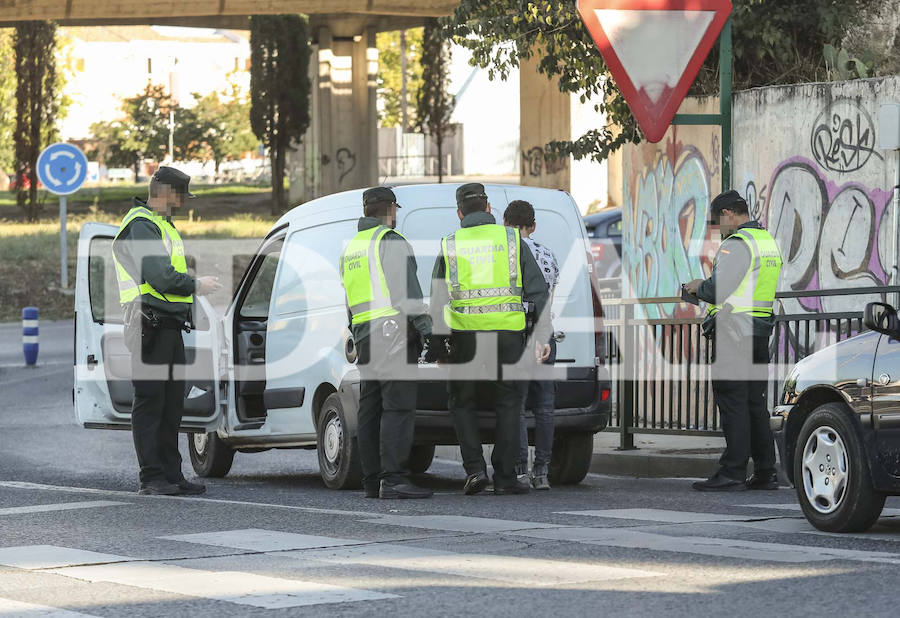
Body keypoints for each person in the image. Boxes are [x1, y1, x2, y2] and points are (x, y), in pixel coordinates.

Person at [430, 183, 552, 496]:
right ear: (488, 209)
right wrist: (542, 335)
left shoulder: (449, 243)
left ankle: (474, 470)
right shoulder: (511, 238)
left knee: (462, 402)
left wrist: (438, 346)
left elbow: (437, 300)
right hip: (509, 335)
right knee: (509, 404)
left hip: (465, 338)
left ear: (459, 213)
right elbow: (538, 291)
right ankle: (506, 476)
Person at [112, 166, 221, 496]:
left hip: (166, 324)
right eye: (179, 196)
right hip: (148, 322)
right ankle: (152, 478)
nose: (182, 203)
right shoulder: (141, 226)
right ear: (163, 192)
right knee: (151, 401)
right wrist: (196, 285)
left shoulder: (160, 225)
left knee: (172, 403)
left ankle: (172, 475)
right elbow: (159, 276)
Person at [683, 190, 783, 492]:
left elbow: (719, 290)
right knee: (755, 403)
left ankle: (732, 471)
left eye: (716, 221)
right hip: (759, 331)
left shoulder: (738, 243)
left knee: (733, 402)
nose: (717, 229)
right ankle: (766, 471)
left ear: (729, 213)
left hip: (734, 332)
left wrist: (698, 286)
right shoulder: (766, 242)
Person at [339, 187, 434, 500]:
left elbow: (350, 302)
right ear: (390, 209)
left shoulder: (351, 248)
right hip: (392, 332)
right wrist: (427, 330)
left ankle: (372, 480)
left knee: (371, 407)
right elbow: (405, 293)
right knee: (398, 407)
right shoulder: (389, 240)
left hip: (366, 334)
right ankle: (393, 479)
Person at [503, 200, 560, 491]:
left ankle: (519, 469)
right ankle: (542, 470)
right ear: (532, 226)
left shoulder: (506, 255)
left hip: (519, 334)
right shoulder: (548, 255)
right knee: (545, 406)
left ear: (504, 224)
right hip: (545, 334)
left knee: (517, 406)